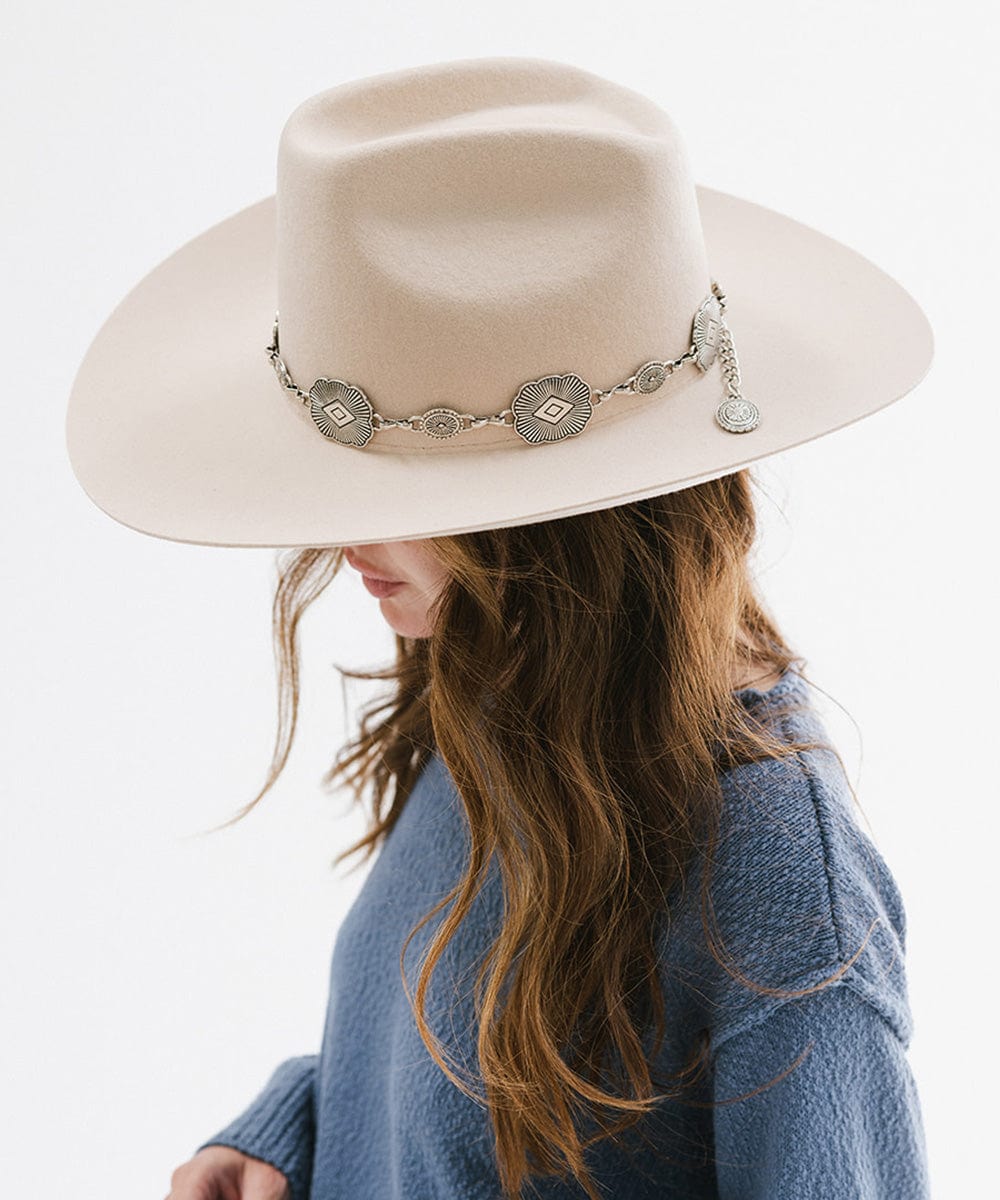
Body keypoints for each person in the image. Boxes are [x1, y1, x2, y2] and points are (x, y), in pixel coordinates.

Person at [64, 56, 934, 1200]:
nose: (336, 537)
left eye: (403, 485)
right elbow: (482, 1058)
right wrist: (296, 1129)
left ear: (571, 521)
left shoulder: (777, 885)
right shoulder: (504, 680)